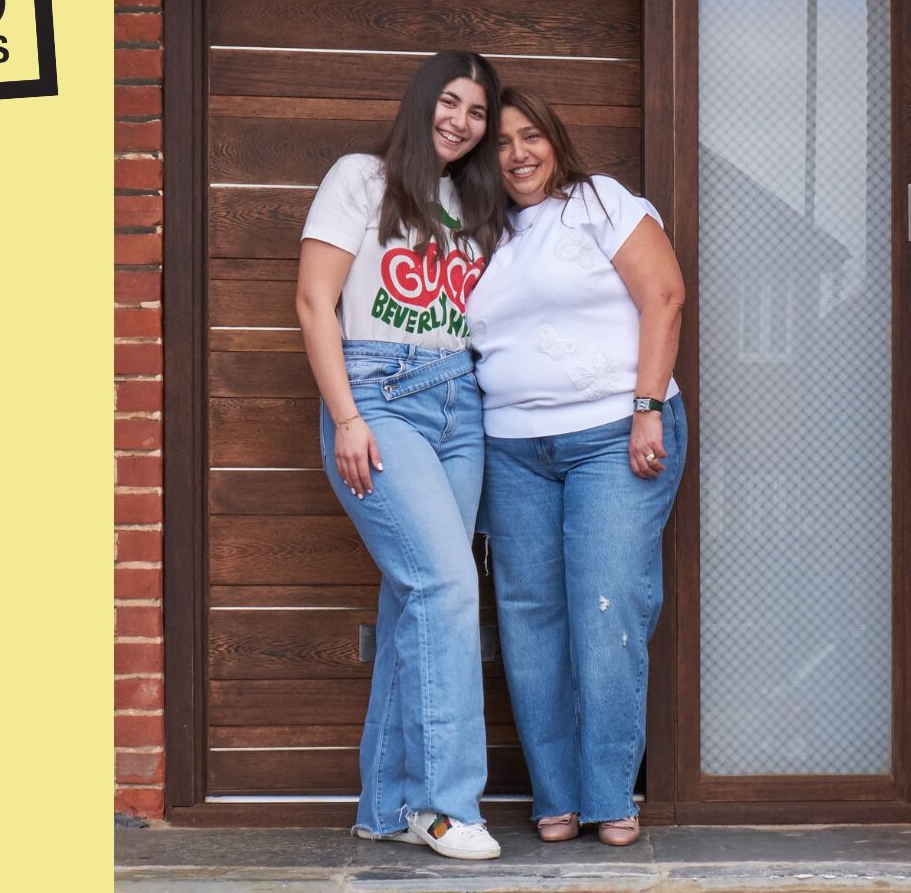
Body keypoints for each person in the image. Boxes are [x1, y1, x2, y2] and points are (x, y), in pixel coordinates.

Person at [294, 50, 507, 861]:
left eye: (477, 112)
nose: (460, 120)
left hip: (462, 402)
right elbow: (316, 301)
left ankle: (385, 805)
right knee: (449, 585)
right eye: (449, 103)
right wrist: (347, 418)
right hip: (378, 395)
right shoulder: (362, 176)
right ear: (422, 104)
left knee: (415, 596)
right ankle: (444, 805)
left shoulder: (471, 203)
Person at [466, 87, 687, 847]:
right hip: (512, 448)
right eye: (500, 142)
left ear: (556, 141)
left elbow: (663, 294)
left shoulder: (599, 202)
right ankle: (555, 796)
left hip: (612, 435)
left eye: (531, 137)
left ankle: (609, 795)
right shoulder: (477, 236)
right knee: (528, 621)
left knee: (607, 607)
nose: (518, 153)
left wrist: (648, 406)